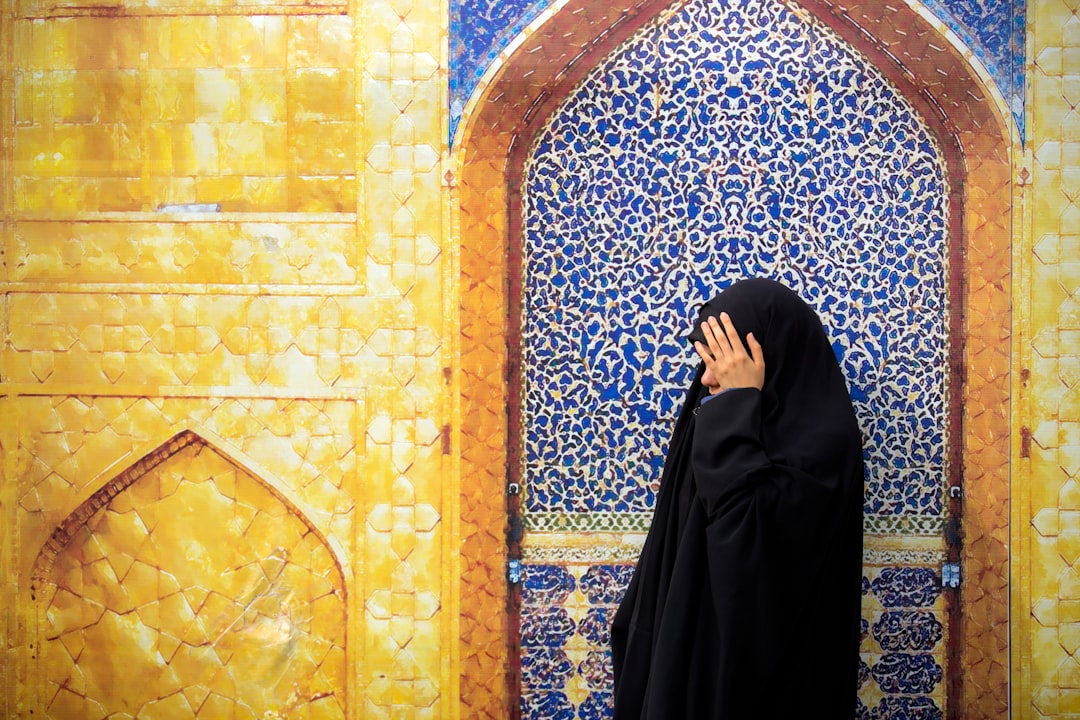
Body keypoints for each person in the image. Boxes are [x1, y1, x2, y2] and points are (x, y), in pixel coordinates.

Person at [610, 278, 864, 718]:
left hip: (769, 691)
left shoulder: (824, 448)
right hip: (690, 670)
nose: (707, 377)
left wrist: (739, 403)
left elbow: (748, 550)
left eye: (721, 363)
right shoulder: (713, 417)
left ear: (771, 356)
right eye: (706, 362)